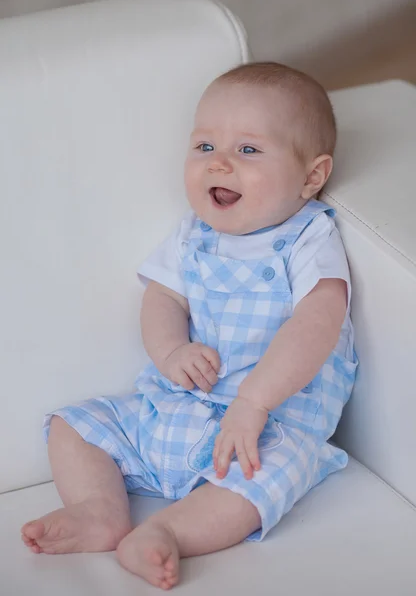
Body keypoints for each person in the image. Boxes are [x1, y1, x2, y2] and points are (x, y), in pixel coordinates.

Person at [21, 62, 357, 591]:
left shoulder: (307, 239)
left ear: (311, 177)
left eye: (248, 150)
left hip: (266, 428)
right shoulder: (191, 235)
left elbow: (317, 324)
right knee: (72, 425)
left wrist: (253, 402)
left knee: (266, 479)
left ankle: (166, 532)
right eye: (204, 147)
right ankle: (99, 509)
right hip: (176, 406)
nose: (219, 163)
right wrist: (171, 351)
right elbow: (161, 299)